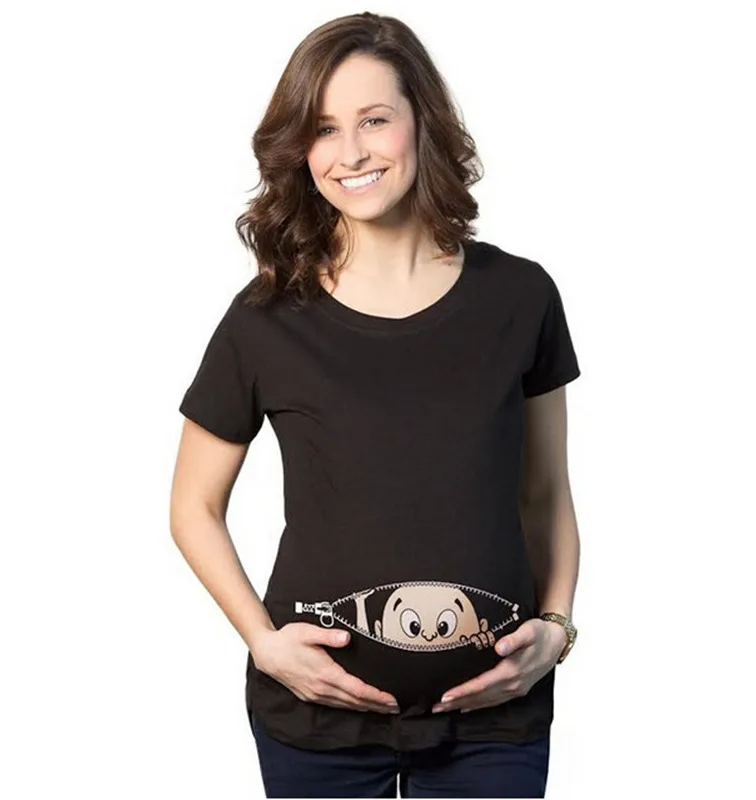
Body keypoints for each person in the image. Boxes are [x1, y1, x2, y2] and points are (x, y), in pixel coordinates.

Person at [170, 11, 581, 799]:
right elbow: (193, 506)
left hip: (496, 717)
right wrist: (264, 642)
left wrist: (556, 631)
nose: (351, 152)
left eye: (374, 120)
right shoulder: (265, 319)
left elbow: (545, 493)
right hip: (314, 721)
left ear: (422, 121)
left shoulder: (520, 296)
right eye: (324, 129)